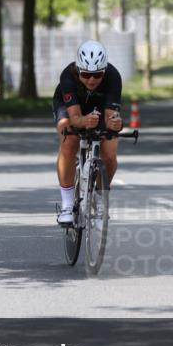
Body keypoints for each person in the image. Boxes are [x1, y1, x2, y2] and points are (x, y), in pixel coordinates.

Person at [52, 40, 123, 226]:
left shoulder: (113, 76)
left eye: (97, 75)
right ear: (78, 70)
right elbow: (75, 118)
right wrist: (83, 121)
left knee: (109, 154)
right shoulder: (68, 76)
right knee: (69, 141)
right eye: (86, 74)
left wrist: (115, 124)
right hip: (70, 107)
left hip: (99, 105)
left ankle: (100, 199)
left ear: (104, 71)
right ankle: (67, 206)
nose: (91, 80)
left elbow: (111, 117)